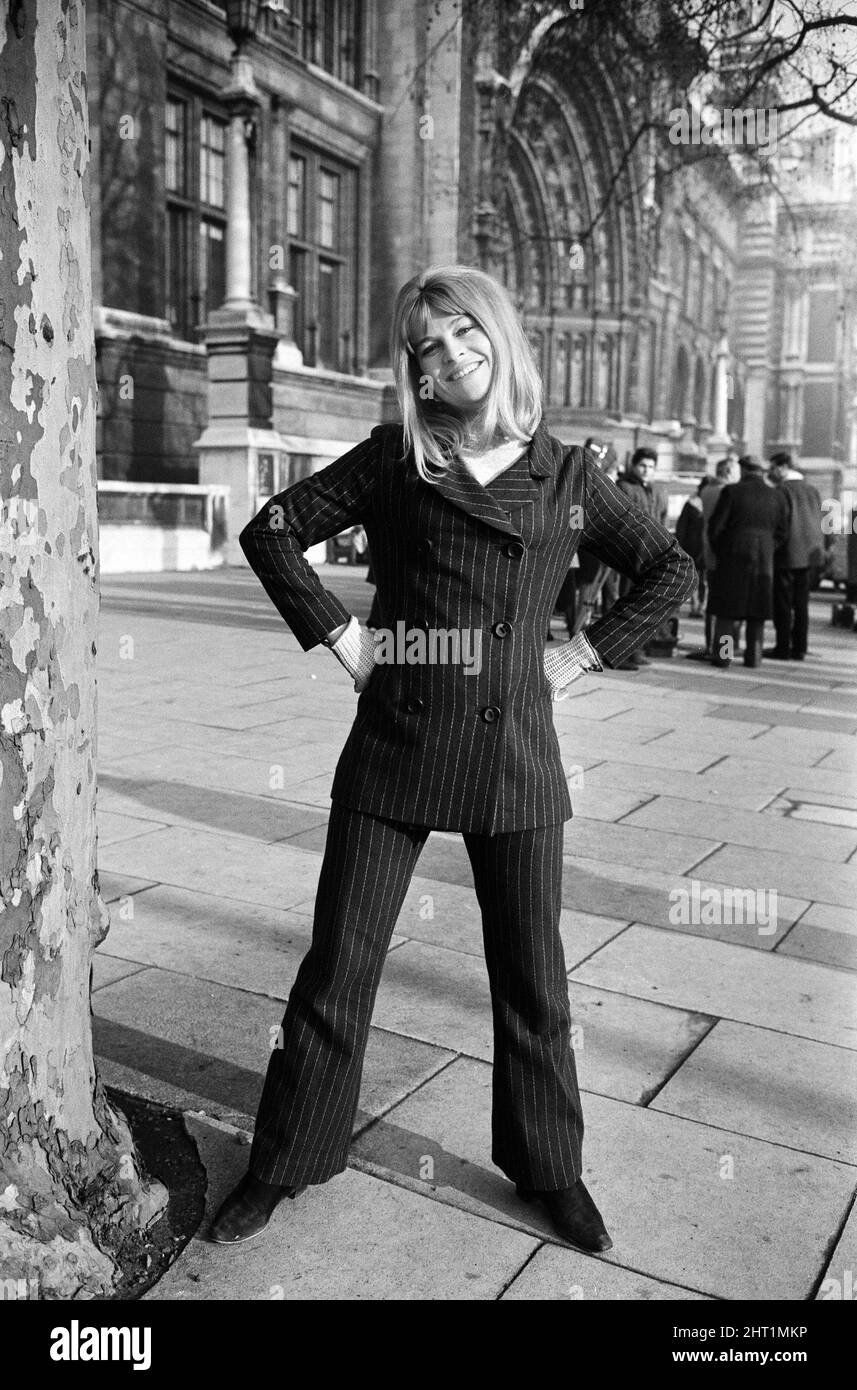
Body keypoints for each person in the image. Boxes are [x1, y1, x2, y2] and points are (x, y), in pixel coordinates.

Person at [213, 263, 695, 1254]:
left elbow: (670, 566)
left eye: (462, 333)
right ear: (415, 368)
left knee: (532, 982)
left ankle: (549, 1169)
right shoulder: (400, 457)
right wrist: (346, 642)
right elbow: (273, 528)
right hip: (395, 746)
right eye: (427, 346)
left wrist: (579, 653)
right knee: (337, 967)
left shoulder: (564, 478)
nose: (449, 356)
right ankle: (283, 1159)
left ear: (498, 334)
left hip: (515, 754)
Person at [706, 454, 790, 668]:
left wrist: (722, 550)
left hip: (732, 557)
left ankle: (724, 656)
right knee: (757, 613)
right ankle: (754, 657)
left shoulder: (731, 492)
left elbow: (715, 529)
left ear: (743, 470)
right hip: (763, 560)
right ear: (762, 472)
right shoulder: (777, 496)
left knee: (726, 612)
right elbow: (783, 532)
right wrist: (768, 548)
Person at [614, 447, 669, 668]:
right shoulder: (624, 487)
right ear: (634, 466)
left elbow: (662, 521)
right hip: (630, 553)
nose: (647, 471)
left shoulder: (657, 491)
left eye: (651, 467)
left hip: (652, 555)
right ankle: (621, 653)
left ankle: (635, 651)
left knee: (643, 605)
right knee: (627, 603)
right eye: (643, 466)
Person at [765, 451, 823, 662]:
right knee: (801, 603)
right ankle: (799, 647)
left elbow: (779, 525)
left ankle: (782, 647)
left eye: (772, 468)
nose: (771, 472)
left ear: (782, 467)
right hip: (809, 556)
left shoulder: (781, 491)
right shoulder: (813, 490)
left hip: (786, 555)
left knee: (782, 603)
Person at [574, 438, 622, 635]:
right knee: (586, 584)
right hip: (587, 540)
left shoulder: (598, 478)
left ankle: (582, 623)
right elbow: (575, 510)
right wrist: (575, 534)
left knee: (597, 585)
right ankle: (577, 626)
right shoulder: (582, 479)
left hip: (598, 538)